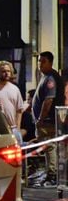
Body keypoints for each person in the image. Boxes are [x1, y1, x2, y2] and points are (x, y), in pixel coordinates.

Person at [32, 51, 65, 185]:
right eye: (39, 61)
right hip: (47, 120)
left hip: (48, 120)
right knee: (47, 145)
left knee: (49, 145)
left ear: (50, 62)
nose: (40, 64)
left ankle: (52, 174)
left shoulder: (50, 78)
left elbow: (48, 101)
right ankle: (50, 172)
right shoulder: (45, 76)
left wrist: (41, 119)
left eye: (43, 61)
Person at [0, 60, 27, 145]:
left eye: (8, 71)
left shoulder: (15, 89)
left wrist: (17, 128)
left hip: (13, 129)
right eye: (3, 71)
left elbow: (19, 110)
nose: (6, 73)